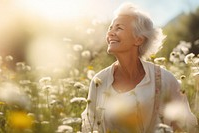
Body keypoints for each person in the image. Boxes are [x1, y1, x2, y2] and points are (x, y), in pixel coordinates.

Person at [81, 2, 198, 133]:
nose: (110, 33)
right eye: (110, 28)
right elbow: (89, 126)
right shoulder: (99, 81)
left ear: (138, 39)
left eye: (118, 28)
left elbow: (185, 125)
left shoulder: (165, 79)